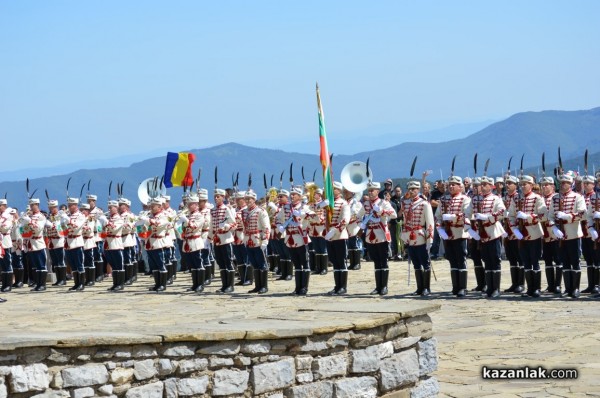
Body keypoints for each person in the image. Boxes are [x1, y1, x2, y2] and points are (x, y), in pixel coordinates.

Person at [548, 173, 586, 298]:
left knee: (575, 261)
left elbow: (582, 214)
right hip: (560, 235)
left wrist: (567, 216)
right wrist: (553, 227)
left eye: (566, 182)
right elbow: (550, 216)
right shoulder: (555, 198)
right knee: (565, 262)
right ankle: (567, 288)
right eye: (562, 182)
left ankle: (575, 288)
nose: (563, 184)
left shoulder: (577, 197)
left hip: (573, 233)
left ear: (571, 184)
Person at [508, 175, 546, 298]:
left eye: (525, 184)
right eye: (521, 184)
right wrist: (514, 229)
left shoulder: (537, 198)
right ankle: (529, 288)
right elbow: (511, 216)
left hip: (534, 232)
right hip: (521, 234)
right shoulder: (516, 199)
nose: (523, 186)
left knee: (534, 261)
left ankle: (537, 288)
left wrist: (528, 217)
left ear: (531, 184)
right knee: (525, 261)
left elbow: (543, 215)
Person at [436, 175, 472, 297]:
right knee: (452, 260)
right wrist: (440, 228)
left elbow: (467, 215)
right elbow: (438, 217)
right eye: (450, 184)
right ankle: (455, 286)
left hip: (460, 233)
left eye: (454, 184)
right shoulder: (443, 200)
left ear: (459, 186)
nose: (451, 186)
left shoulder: (465, 199)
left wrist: (453, 217)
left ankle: (462, 287)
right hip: (447, 234)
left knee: (461, 259)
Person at [472, 176, 506, 298]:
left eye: (486, 184)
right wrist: (470, 229)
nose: (483, 186)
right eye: (482, 184)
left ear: (491, 186)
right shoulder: (476, 199)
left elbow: (502, 212)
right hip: (481, 233)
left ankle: (496, 288)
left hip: (493, 232)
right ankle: (489, 287)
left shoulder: (496, 199)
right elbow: (467, 213)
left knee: (495, 259)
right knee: (486, 260)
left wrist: (488, 217)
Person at [363, 181, 397, 295]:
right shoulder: (366, 204)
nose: (371, 192)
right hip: (370, 235)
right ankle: (378, 286)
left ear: (377, 191)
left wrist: (382, 211)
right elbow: (357, 214)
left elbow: (394, 214)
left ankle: (384, 286)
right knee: (376, 261)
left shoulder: (383, 202)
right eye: (369, 190)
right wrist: (359, 224)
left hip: (381, 234)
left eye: (373, 190)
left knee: (383, 260)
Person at [401, 180, 434, 296]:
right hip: (410, 236)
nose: (411, 191)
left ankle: (426, 288)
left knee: (425, 262)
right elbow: (405, 220)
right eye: (410, 189)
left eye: (414, 189)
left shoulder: (424, 204)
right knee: (415, 262)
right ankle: (419, 287)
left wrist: (430, 239)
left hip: (420, 235)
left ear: (418, 190)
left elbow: (430, 223)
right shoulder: (406, 203)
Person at [276, 187, 311, 295]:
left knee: (304, 263)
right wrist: (280, 227)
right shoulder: (286, 208)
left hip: (300, 237)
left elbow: (314, 217)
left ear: (299, 196)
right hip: (289, 238)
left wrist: (302, 214)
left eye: (294, 194)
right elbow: (277, 219)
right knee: (296, 264)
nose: (292, 196)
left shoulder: (304, 207)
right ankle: (297, 287)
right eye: (291, 194)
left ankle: (304, 288)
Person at [177, 193, 209, 293]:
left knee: (198, 263)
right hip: (187, 241)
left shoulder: (199, 216)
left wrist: (185, 220)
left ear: (196, 205)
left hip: (196, 241)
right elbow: (183, 229)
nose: (189, 206)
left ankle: (200, 284)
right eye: (188, 204)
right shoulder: (188, 215)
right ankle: (195, 284)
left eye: (191, 204)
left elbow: (194, 226)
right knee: (192, 265)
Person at [137, 197, 170, 292]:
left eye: (153, 206)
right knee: (153, 265)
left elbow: (158, 224)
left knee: (161, 264)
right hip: (149, 242)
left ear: (159, 206)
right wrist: (140, 222)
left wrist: (147, 221)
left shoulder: (164, 215)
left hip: (158, 242)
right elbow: (142, 228)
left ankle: (163, 285)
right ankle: (157, 284)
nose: (151, 207)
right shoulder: (149, 216)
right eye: (151, 206)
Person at [209, 188, 237, 293]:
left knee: (228, 261)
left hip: (226, 239)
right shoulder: (213, 210)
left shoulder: (226, 209)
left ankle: (230, 285)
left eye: (218, 196)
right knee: (221, 262)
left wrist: (226, 226)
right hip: (217, 240)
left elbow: (234, 224)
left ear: (223, 197)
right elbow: (212, 225)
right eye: (215, 196)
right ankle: (224, 285)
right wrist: (209, 238)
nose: (216, 198)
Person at [325, 182, 351, 295]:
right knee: (334, 261)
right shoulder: (328, 203)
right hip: (330, 236)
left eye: (334, 189)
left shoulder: (343, 203)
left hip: (339, 235)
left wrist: (334, 230)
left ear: (339, 191)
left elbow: (345, 220)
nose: (332, 191)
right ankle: (337, 286)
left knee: (341, 261)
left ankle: (343, 287)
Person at [242, 190, 271, 294]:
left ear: (254, 199)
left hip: (258, 239)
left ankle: (264, 286)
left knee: (262, 263)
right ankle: (257, 286)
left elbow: (266, 227)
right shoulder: (244, 212)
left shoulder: (261, 211)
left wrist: (265, 240)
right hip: (249, 240)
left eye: (249, 199)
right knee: (254, 263)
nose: (247, 200)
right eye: (246, 199)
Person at [539, 176, 562, 294]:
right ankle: (550, 285)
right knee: (547, 259)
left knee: (558, 259)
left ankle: (557, 285)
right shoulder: (540, 199)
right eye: (542, 185)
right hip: (544, 233)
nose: (544, 187)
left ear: (553, 186)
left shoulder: (556, 198)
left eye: (546, 185)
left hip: (555, 231)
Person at [502, 175, 524, 293]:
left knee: (519, 258)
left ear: (516, 185)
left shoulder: (518, 197)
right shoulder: (504, 197)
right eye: (507, 183)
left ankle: (520, 283)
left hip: (517, 230)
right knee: (511, 259)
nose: (507, 185)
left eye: (510, 183)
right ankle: (514, 283)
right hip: (507, 231)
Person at [20, 198, 48, 291]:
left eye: (33, 205)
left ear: (37, 205)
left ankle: (42, 285)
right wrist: (24, 221)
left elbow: (38, 229)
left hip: (38, 243)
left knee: (41, 265)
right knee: (35, 265)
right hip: (30, 243)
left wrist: (29, 221)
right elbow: (24, 230)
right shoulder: (30, 216)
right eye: (31, 205)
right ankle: (38, 284)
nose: (32, 207)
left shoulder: (41, 216)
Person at [63, 197, 87, 291]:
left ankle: (81, 283)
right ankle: (76, 283)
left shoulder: (80, 216)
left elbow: (75, 227)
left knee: (79, 264)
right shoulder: (69, 216)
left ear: (75, 205)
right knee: (72, 264)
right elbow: (63, 229)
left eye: (71, 205)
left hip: (77, 241)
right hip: (69, 242)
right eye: (68, 205)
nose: (69, 207)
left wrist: (67, 220)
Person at [580, 175, 599, 294]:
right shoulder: (581, 197)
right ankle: (591, 284)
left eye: (588, 183)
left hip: (595, 231)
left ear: (593, 184)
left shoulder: (594, 197)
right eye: (584, 183)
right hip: (585, 231)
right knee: (588, 259)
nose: (586, 185)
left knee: (596, 259)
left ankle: (597, 284)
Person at [468, 177, 486, 292]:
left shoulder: (488, 198)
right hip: (474, 232)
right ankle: (480, 283)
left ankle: (488, 283)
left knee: (487, 258)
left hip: (485, 232)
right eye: (473, 186)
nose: (474, 188)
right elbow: (467, 214)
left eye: (477, 186)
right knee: (476, 258)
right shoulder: (472, 199)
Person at [44, 199, 67, 287]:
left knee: (61, 260)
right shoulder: (49, 216)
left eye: (53, 207)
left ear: (56, 207)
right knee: (55, 261)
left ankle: (63, 279)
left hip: (59, 240)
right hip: (51, 241)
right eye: (50, 207)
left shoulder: (61, 216)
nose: (51, 209)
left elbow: (64, 227)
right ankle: (58, 279)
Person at [306, 188, 328, 275]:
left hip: (321, 228)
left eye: (315, 194)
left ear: (319, 195)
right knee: (316, 249)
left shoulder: (324, 204)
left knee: (323, 248)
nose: (313, 195)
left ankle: (324, 268)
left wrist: (320, 219)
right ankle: (318, 268)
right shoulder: (311, 204)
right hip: (313, 228)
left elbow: (325, 215)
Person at [232, 191, 252, 286]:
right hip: (235, 236)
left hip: (243, 235)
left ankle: (249, 278)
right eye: (236, 199)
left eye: (239, 199)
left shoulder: (247, 210)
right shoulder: (235, 210)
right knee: (239, 258)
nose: (236, 200)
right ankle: (242, 277)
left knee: (246, 258)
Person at [119, 198, 138, 286]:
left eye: (121, 205)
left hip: (127, 239)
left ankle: (129, 278)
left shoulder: (129, 216)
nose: (120, 207)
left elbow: (130, 228)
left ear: (126, 206)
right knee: (122, 259)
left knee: (128, 259)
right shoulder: (119, 216)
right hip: (119, 240)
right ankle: (124, 277)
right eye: (119, 205)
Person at [344, 188, 364, 270]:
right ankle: (352, 263)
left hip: (354, 225)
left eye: (347, 192)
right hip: (347, 226)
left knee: (355, 244)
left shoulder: (356, 202)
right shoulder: (345, 202)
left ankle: (357, 263)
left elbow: (359, 214)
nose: (345, 193)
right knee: (350, 245)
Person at [0, 199, 14, 293]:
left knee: (7, 263)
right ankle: (4, 284)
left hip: (5, 241)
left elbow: (5, 228)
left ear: (4, 206)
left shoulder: (8, 216)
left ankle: (8, 285)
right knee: (2, 265)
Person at [428, 180, 445, 260]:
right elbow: (432, 202)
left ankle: (444, 252)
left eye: (443, 186)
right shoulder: (435, 193)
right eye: (441, 187)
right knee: (436, 236)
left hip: (447, 217)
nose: (442, 188)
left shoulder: (448, 193)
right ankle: (435, 253)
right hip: (437, 217)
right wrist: (441, 204)